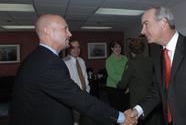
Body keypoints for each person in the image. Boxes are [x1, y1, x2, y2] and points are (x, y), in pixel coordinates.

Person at [8, 14, 137, 125]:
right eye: (65, 29)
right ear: (48, 31)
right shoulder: (48, 63)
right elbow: (77, 97)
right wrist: (120, 117)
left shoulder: (39, 58)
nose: (70, 33)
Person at [117, 38, 163, 125]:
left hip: (137, 100)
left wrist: (118, 84)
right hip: (151, 97)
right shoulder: (150, 60)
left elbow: (123, 84)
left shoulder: (131, 63)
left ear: (131, 50)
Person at [63, 40, 93, 125]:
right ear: (69, 49)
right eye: (73, 48)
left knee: (86, 119)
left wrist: (87, 90)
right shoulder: (64, 62)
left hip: (84, 95)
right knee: (75, 120)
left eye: (78, 47)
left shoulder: (81, 61)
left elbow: (85, 77)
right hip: (73, 96)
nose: (76, 50)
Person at [106, 41, 128, 111]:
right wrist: (125, 80)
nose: (118, 49)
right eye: (116, 47)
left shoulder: (125, 58)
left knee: (125, 106)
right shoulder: (109, 60)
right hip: (113, 87)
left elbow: (129, 71)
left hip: (125, 86)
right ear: (112, 48)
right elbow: (112, 75)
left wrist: (128, 84)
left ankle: (126, 121)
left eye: (119, 47)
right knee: (116, 108)